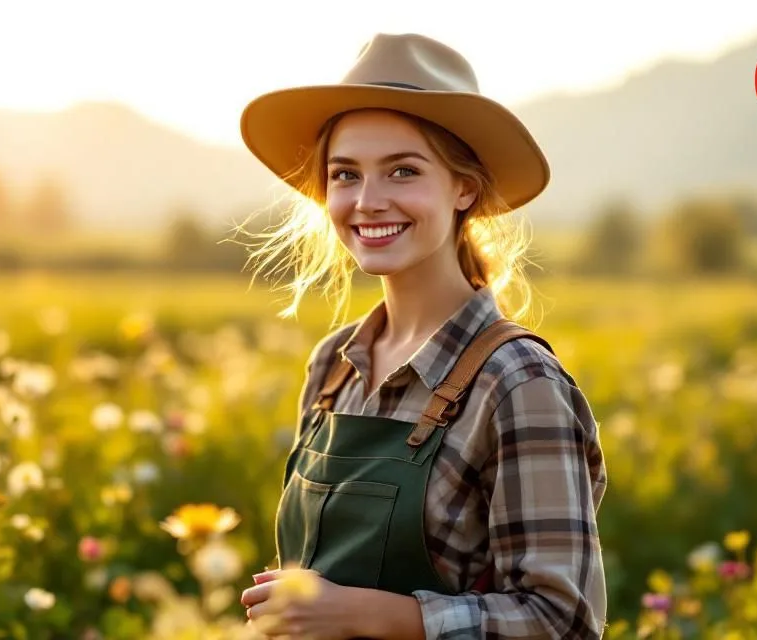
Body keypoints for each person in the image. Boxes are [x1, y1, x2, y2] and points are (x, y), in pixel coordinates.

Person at [235, 33, 609, 639]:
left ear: (465, 187)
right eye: (345, 174)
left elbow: (564, 621)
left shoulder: (517, 382)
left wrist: (366, 614)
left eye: (403, 171)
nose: (367, 201)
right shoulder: (333, 365)